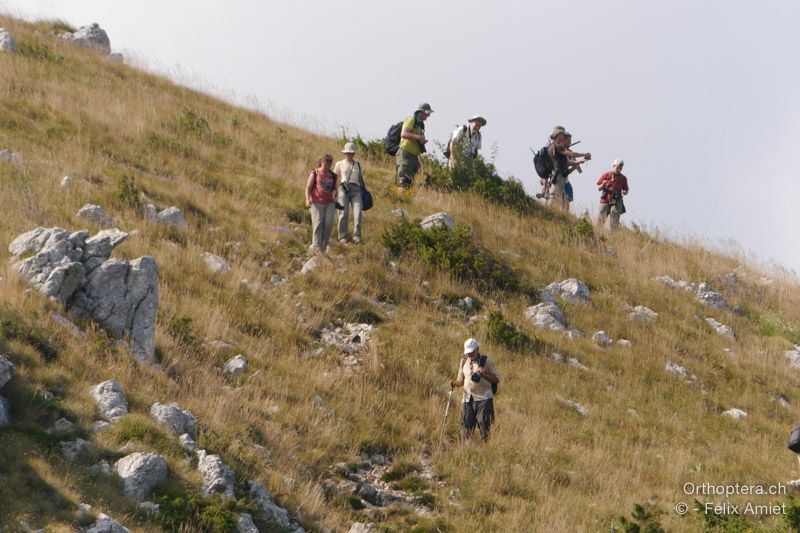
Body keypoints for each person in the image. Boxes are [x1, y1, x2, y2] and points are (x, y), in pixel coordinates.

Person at [450, 338, 500, 442]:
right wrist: (455, 384)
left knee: (484, 426)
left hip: (484, 399)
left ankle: (487, 450)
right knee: (466, 427)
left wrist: (484, 374)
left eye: (472, 351)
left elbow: (496, 379)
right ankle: (467, 450)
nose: (470, 354)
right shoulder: (463, 362)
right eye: (468, 352)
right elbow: (461, 380)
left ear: (477, 349)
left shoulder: (486, 361)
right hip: (467, 399)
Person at [543, 126, 591, 211]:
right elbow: (571, 154)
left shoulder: (555, 146)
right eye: (563, 135)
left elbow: (565, 164)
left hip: (560, 177)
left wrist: (578, 162)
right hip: (557, 178)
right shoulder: (556, 146)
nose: (564, 138)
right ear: (558, 135)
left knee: (559, 200)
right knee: (554, 199)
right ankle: (547, 214)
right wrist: (584, 154)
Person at [304, 154, 338, 253]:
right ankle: (315, 246)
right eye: (326, 164)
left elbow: (334, 187)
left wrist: (335, 192)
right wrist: (307, 199)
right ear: (322, 162)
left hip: (330, 202)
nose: (327, 166)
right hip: (317, 202)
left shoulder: (332, 175)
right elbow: (308, 188)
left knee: (329, 223)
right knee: (318, 223)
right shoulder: (315, 173)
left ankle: (324, 244)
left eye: (329, 164)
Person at [334, 142, 366, 244]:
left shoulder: (358, 165)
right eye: (348, 152)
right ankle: (342, 236)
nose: (350, 154)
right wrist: (334, 189)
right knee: (343, 213)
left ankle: (357, 236)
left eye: (351, 153)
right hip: (344, 188)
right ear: (345, 153)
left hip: (356, 190)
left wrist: (365, 191)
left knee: (358, 213)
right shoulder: (339, 164)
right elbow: (335, 178)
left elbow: (360, 178)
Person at [397, 103, 433, 188]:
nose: (428, 115)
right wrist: (419, 137)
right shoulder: (411, 120)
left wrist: (421, 140)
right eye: (427, 113)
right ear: (421, 112)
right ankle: (400, 199)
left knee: (409, 181)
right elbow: (404, 134)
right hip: (406, 153)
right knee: (404, 180)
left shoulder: (420, 124)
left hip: (413, 156)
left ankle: (405, 199)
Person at [596, 159, 630, 230]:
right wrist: (603, 184)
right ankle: (598, 232)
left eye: (621, 167)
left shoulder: (623, 178)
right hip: (605, 199)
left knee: (614, 218)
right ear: (614, 166)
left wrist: (625, 192)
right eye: (618, 167)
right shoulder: (606, 175)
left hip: (617, 200)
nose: (619, 169)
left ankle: (614, 235)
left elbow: (626, 190)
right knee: (600, 218)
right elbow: (599, 188)